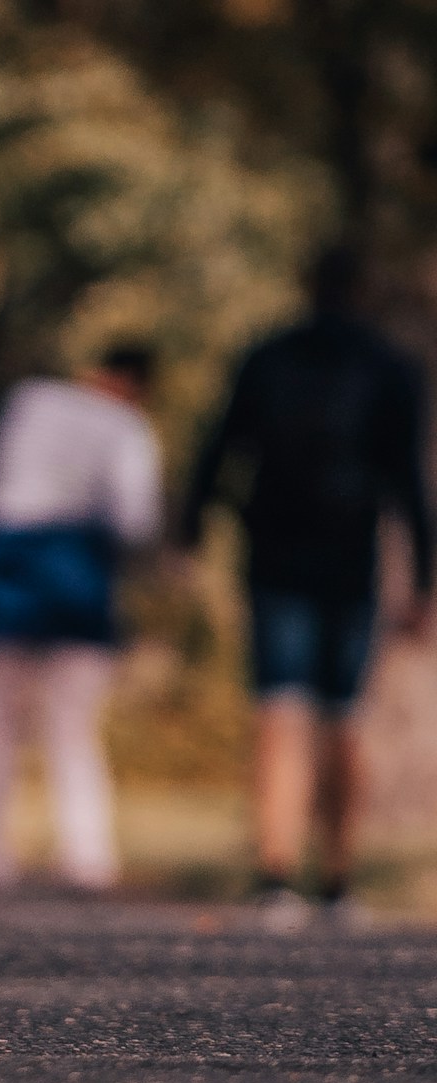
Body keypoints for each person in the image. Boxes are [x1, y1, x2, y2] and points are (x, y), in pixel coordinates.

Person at [180, 245, 432, 924]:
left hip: (274, 555)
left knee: (279, 709)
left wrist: (190, 531)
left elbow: (221, 445)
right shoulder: (390, 367)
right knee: (342, 716)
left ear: (306, 285)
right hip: (351, 559)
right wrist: (425, 582)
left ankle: (275, 875)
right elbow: (409, 480)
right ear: (366, 293)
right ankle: (339, 882)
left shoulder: (268, 356)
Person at [0, 349, 163, 895]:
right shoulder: (129, 428)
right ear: (137, 385)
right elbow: (134, 519)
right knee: (73, 721)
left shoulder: (30, 400)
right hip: (77, 571)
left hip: (10, 563)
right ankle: (86, 854)